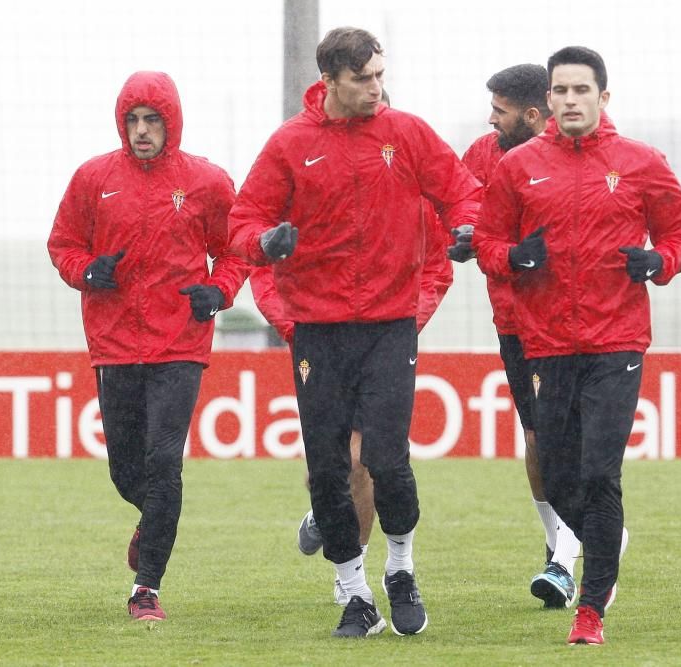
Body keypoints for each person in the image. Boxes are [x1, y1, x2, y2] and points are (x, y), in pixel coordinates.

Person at [229, 27, 481, 638]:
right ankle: (354, 595)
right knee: (325, 470)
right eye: (363, 78)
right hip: (318, 330)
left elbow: (463, 193)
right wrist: (264, 242)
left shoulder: (407, 133)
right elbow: (244, 221)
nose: (377, 87)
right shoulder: (291, 144)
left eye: (379, 75)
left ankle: (400, 569)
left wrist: (470, 230)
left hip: (390, 325)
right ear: (331, 79)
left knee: (388, 462)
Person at [473, 46, 681, 645]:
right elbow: (490, 241)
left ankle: (591, 611)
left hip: (616, 341)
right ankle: (606, 541)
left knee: (600, 474)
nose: (571, 100)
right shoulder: (518, 166)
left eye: (582, 90)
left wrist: (660, 261)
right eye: (561, 91)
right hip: (544, 343)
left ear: (603, 97)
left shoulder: (641, 162)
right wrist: (512, 257)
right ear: (547, 100)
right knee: (558, 474)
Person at [47, 71, 248, 622]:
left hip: (179, 341)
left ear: (171, 122)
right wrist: (87, 270)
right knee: (125, 471)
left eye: (152, 120)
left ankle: (146, 589)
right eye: (133, 120)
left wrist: (219, 290)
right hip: (113, 344)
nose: (141, 131)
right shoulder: (92, 178)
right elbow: (62, 243)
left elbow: (235, 249)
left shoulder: (207, 181)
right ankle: (155, 518)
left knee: (165, 463)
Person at [251, 169, 453, 606]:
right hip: (321, 342)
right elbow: (263, 266)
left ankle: (355, 580)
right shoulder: (308, 180)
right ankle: (329, 520)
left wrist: (402, 325)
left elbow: (436, 267)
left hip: (385, 342)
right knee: (329, 471)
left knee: (365, 461)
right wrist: (295, 325)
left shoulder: (409, 190)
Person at [456, 64, 584, 611]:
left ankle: (568, 559)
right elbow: (457, 210)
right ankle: (559, 547)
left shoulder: (585, 153)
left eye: (500, 110)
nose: (490, 119)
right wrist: (463, 238)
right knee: (537, 440)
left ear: (533, 114)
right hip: (513, 324)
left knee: (571, 443)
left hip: (574, 326)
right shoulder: (484, 154)